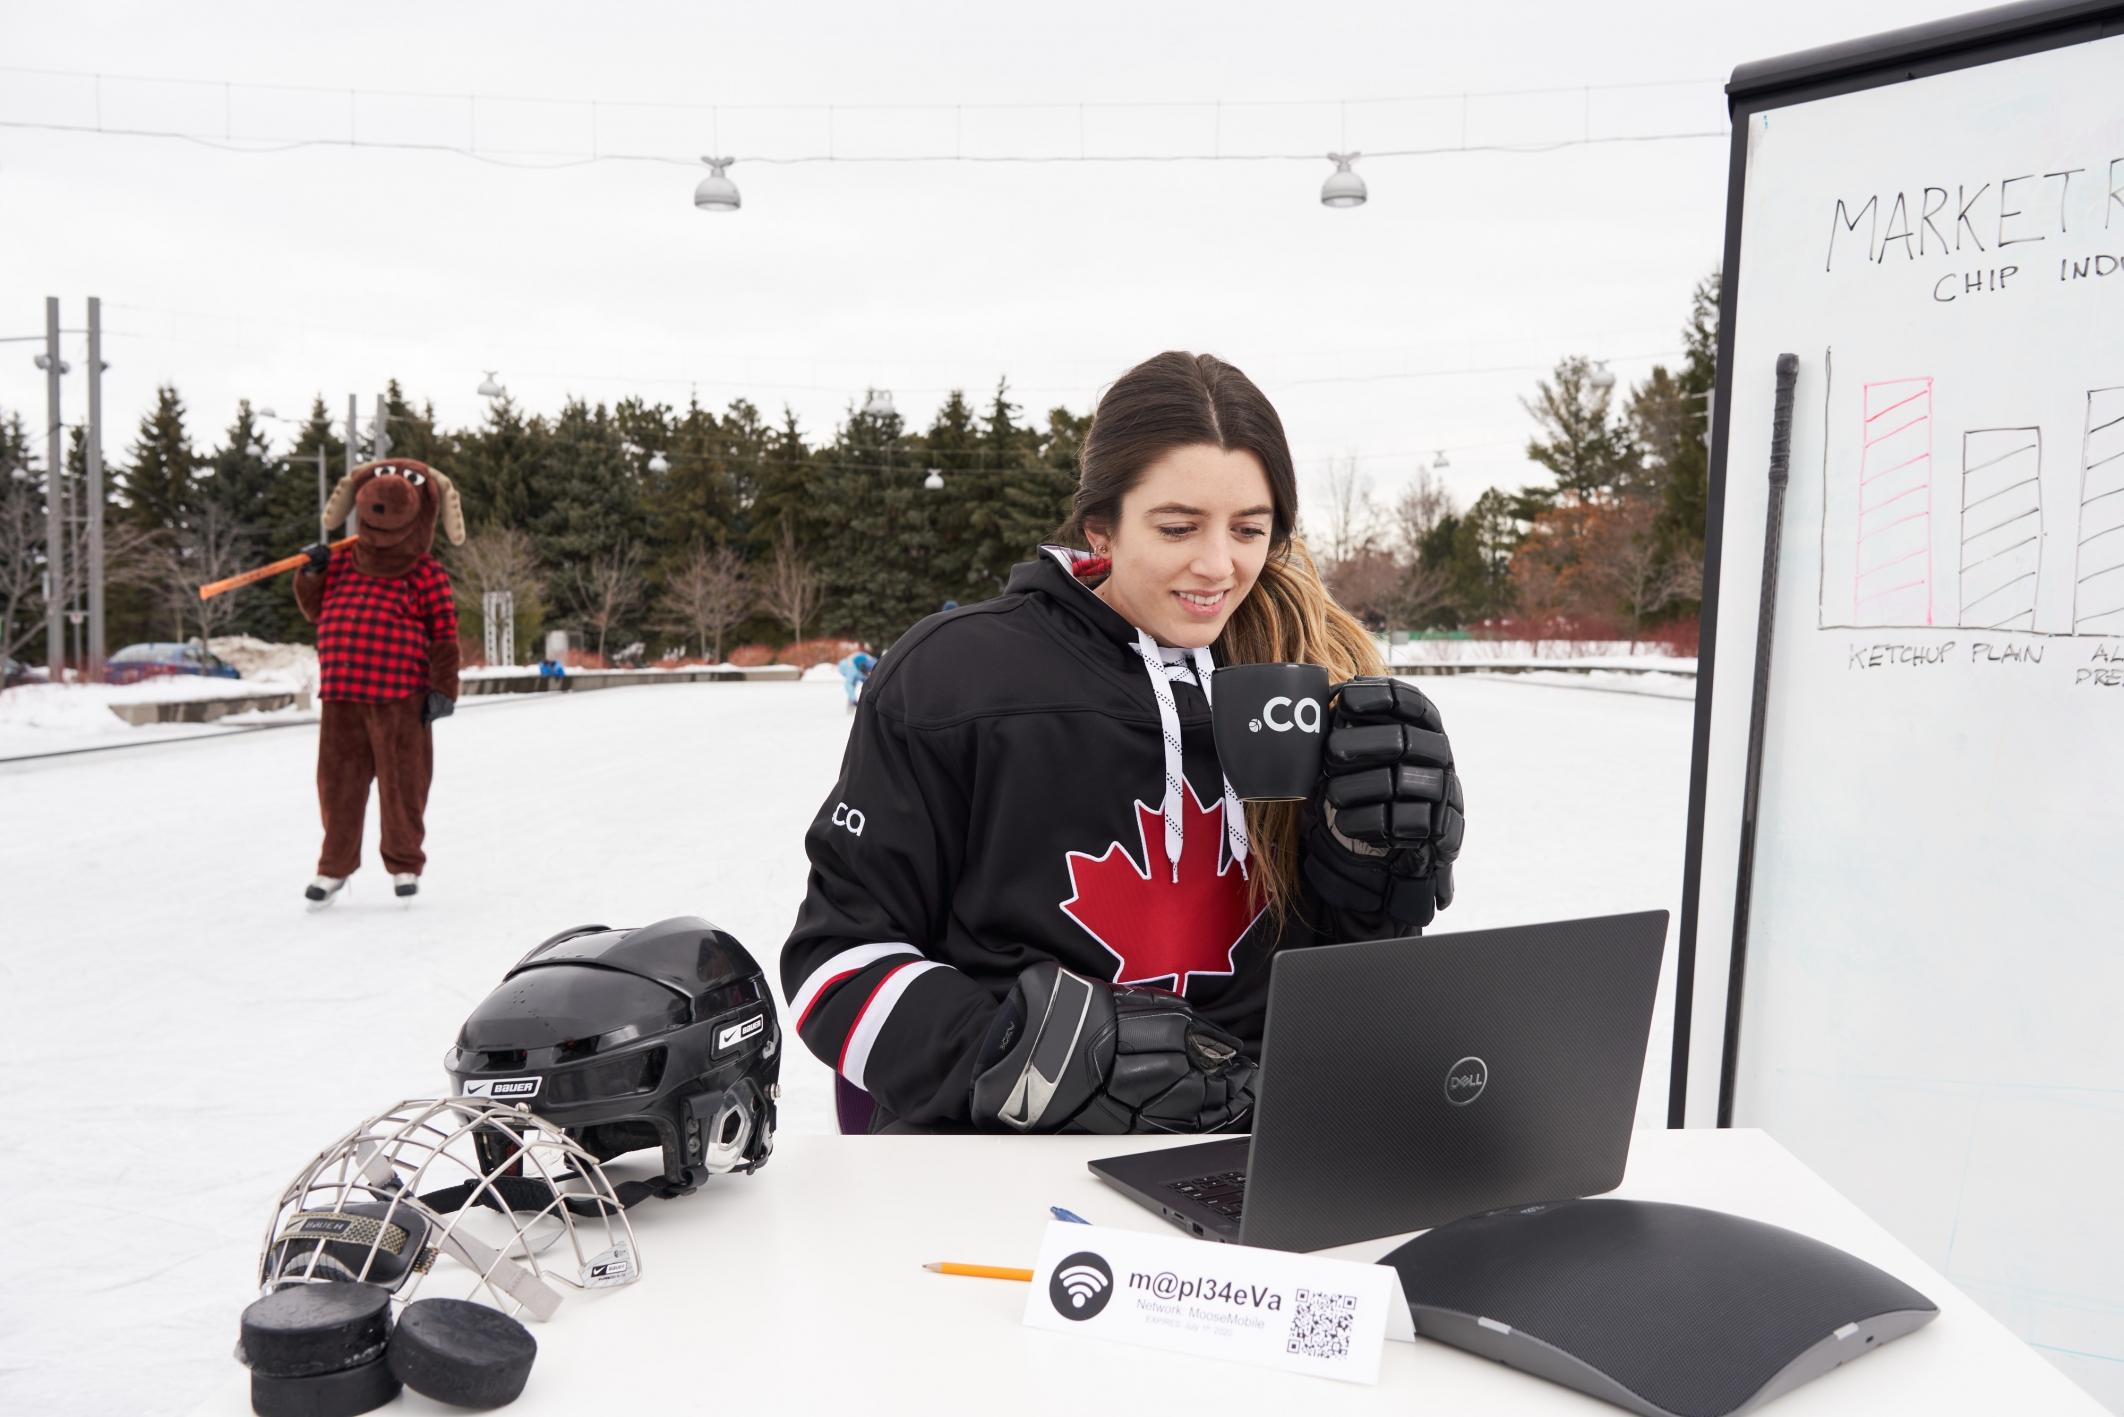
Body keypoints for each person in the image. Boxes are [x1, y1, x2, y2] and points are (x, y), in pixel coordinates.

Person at [780, 352, 1464, 1134]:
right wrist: (1018, 1057)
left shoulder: (1308, 681)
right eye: (1178, 527)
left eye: (1249, 529)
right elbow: (835, 966)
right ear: (1100, 524)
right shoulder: (951, 677)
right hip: (1001, 1163)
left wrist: (1378, 876)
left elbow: (1343, 989)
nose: (1218, 564)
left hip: (1258, 1145)